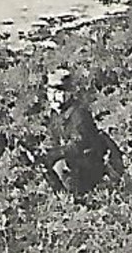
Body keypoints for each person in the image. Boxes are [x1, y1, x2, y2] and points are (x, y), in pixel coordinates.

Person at [34, 68, 124, 196]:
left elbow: (79, 145)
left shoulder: (78, 113)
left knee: (60, 165)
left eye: (59, 92)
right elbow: (54, 140)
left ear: (69, 93)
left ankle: (75, 196)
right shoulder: (56, 115)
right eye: (50, 91)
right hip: (75, 163)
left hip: (90, 165)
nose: (53, 97)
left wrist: (55, 154)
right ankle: (62, 197)